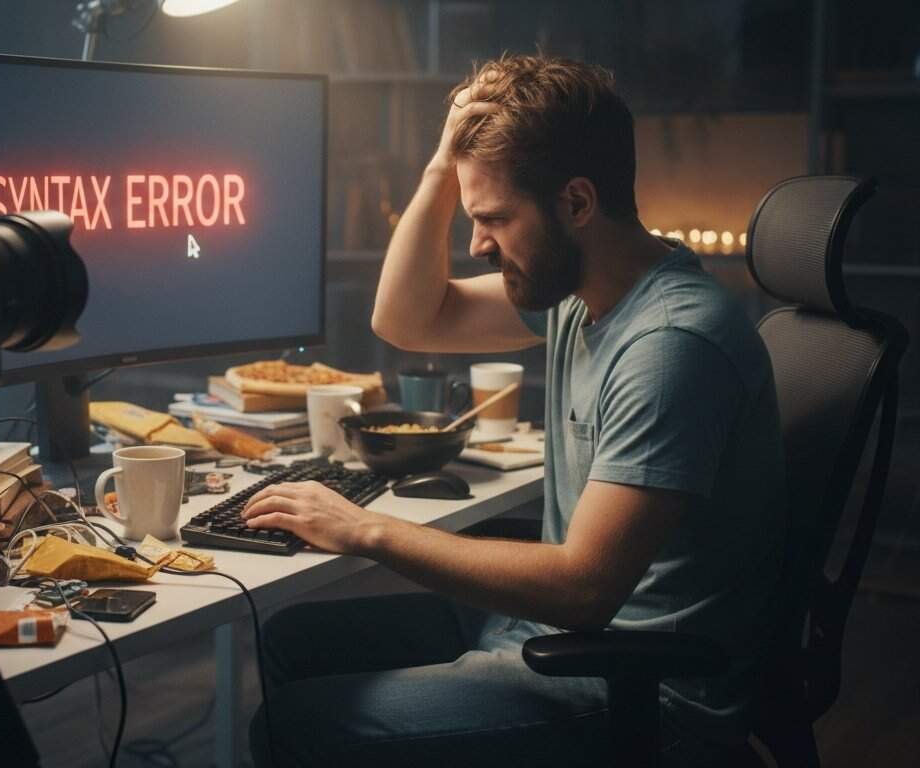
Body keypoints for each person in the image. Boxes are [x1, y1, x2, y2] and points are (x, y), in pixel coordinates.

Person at [243, 54, 786, 766]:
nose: (475, 244)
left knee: (291, 727)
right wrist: (443, 165)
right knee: (292, 640)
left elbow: (586, 589)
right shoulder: (584, 294)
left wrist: (364, 530)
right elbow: (409, 318)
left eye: (494, 217)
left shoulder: (670, 345)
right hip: (559, 636)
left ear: (578, 203)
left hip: (640, 689)